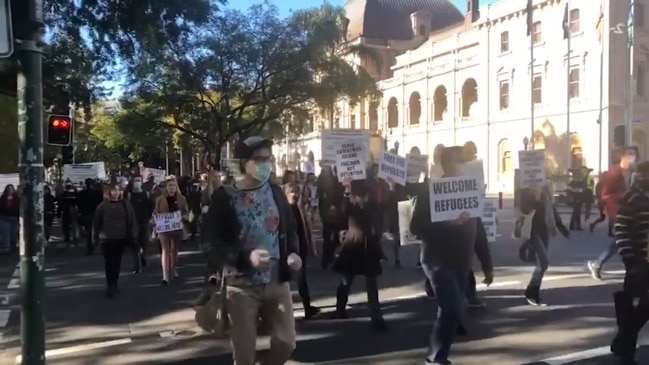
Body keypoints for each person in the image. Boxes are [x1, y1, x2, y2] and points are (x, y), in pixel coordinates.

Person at [203, 136, 301, 365]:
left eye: (269, 159)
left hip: (277, 281)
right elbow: (210, 243)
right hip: (241, 287)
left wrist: (293, 252)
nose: (266, 164)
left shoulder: (275, 192)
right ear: (243, 163)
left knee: (286, 343)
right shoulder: (225, 198)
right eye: (259, 159)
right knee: (245, 354)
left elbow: (290, 227)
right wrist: (245, 258)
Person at [410, 146, 488, 365]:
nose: (463, 165)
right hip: (436, 260)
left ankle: (439, 354)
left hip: (460, 261)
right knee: (453, 307)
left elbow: (478, 229)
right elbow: (416, 226)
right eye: (458, 161)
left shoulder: (471, 191)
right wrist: (448, 224)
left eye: (464, 161)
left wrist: (487, 263)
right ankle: (435, 359)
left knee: (450, 309)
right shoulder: (430, 192)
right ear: (447, 165)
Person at [333, 178, 387, 330]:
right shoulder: (349, 203)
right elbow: (342, 212)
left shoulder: (371, 205)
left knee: (370, 283)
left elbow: (378, 220)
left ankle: (376, 318)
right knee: (346, 279)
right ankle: (340, 309)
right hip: (354, 245)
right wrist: (347, 192)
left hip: (367, 245)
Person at [609, 161, 649, 363]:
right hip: (638, 261)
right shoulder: (634, 198)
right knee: (632, 303)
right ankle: (626, 351)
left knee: (642, 305)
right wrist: (630, 259)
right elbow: (622, 228)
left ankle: (623, 342)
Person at [588, 148, 636, 280]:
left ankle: (599, 264)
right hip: (616, 210)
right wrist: (622, 197)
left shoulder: (630, 173)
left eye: (634, 156)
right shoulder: (614, 173)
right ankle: (598, 264)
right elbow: (605, 194)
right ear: (623, 158)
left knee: (623, 240)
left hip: (626, 209)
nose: (632, 159)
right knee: (622, 240)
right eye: (630, 156)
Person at [519, 183, 569, 306]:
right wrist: (534, 197)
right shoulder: (526, 192)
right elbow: (524, 210)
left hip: (544, 231)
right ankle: (531, 291)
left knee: (541, 265)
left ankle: (533, 292)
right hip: (532, 231)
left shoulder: (545, 193)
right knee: (543, 263)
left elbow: (552, 211)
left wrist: (562, 229)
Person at [93, 184, 138, 298]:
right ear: (108, 192)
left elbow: (131, 220)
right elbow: (97, 222)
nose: (116, 192)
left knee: (117, 261)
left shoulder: (125, 204)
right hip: (107, 238)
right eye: (113, 190)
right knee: (109, 262)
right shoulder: (103, 206)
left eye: (118, 190)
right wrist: (95, 237)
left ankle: (115, 282)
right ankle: (110, 284)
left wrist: (133, 235)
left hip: (121, 237)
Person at [283, 182, 320, 319]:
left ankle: (307, 307)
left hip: (301, 248)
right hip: (291, 250)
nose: (295, 195)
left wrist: (311, 246)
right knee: (291, 280)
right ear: (286, 194)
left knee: (302, 280)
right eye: (292, 192)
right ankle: (298, 308)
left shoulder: (298, 208)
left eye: (296, 192)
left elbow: (305, 229)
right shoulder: (286, 210)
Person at [154, 177, 188, 285]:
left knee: (174, 250)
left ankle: (173, 268)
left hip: (176, 228)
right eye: (169, 186)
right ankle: (165, 276)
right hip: (164, 229)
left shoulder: (182, 199)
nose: (172, 188)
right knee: (165, 250)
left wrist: (184, 217)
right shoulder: (160, 199)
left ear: (176, 187)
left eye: (173, 185)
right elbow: (155, 212)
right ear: (166, 188)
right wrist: (155, 218)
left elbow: (187, 212)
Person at [129, 175, 153, 272]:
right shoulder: (129, 195)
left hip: (144, 222)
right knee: (135, 244)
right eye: (136, 181)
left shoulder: (146, 194)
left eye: (139, 181)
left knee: (145, 242)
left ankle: (143, 256)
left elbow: (151, 207)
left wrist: (150, 218)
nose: (137, 182)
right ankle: (136, 265)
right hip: (133, 223)